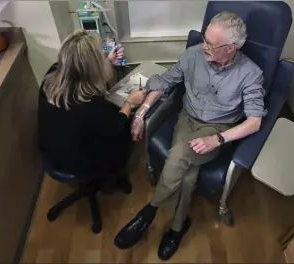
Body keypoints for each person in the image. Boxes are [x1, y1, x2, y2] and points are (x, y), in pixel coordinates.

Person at [114, 11, 266, 260]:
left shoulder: (251, 74)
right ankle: (177, 227)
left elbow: (254, 122)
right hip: (188, 118)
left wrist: (218, 140)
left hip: (218, 128)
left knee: (179, 156)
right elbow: (164, 81)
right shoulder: (194, 54)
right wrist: (141, 114)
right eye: (205, 38)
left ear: (230, 48)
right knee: (186, 175)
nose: (203, 45)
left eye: (210, 43)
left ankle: (149, 211)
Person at [38, 30, 146, 193]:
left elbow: (84, 79)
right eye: (100, 55)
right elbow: (115, 127)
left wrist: (108, 62)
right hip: (79, 163)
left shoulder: (52, 75)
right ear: (92, 67)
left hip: (52, 153)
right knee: (126, 130)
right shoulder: (90, 107)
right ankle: (114, 176)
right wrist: (129, 102)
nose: (104, 56)